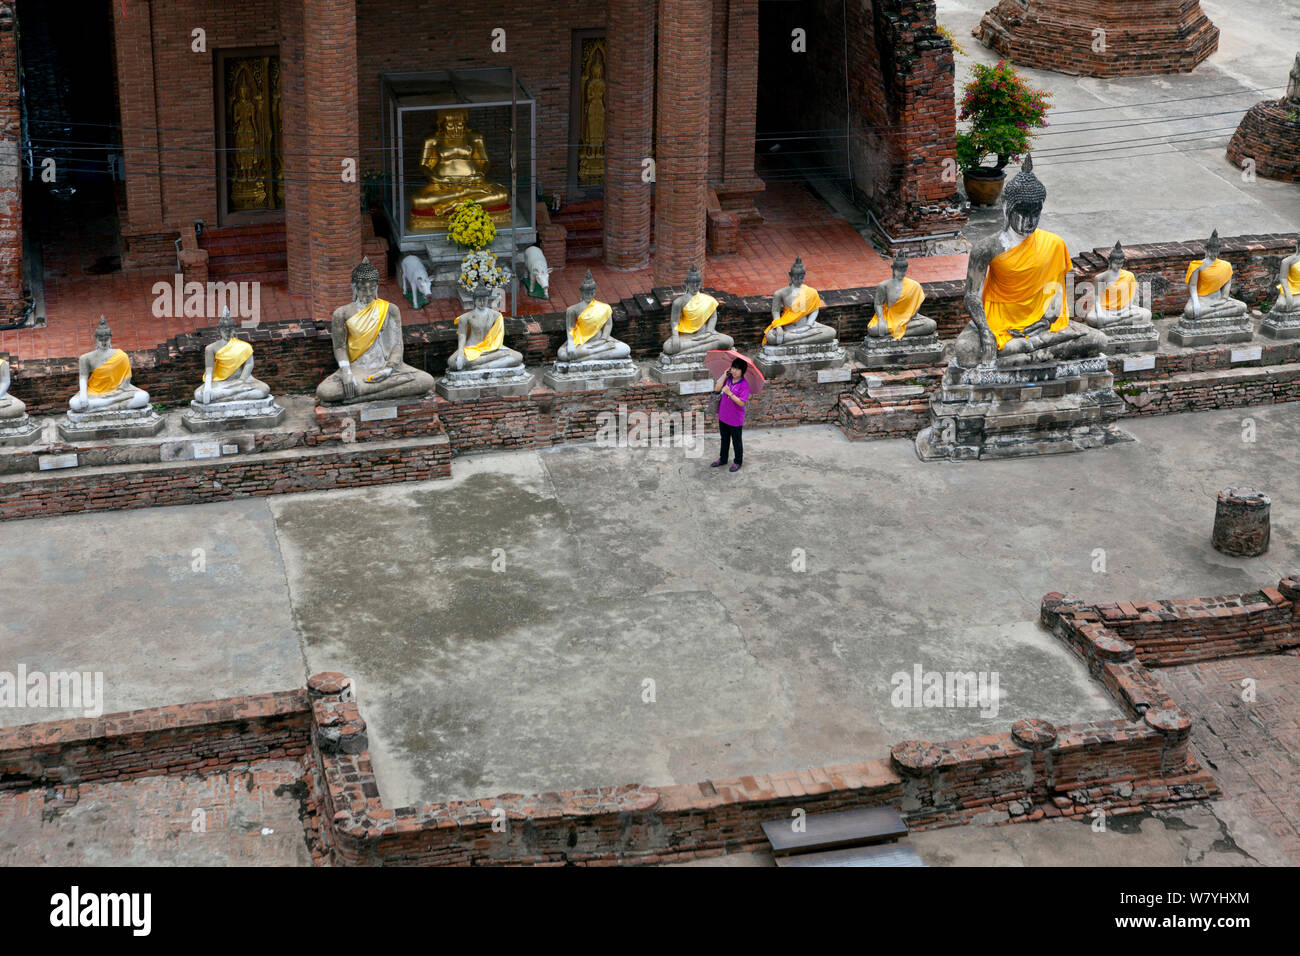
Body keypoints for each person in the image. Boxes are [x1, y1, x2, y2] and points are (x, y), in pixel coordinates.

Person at [711, 357, 750, 472]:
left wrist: (729, 393)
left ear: (742, 371)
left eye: (737, 369)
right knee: (724, 439)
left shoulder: (744, 385)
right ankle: (723, 459)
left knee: (736, 441)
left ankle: (738, 461)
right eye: (733, 368)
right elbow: (717, 389)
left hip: (735, 419)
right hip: (723, 416)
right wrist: (724, 375)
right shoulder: (728, 379)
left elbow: (741, 403)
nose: (734, 371)